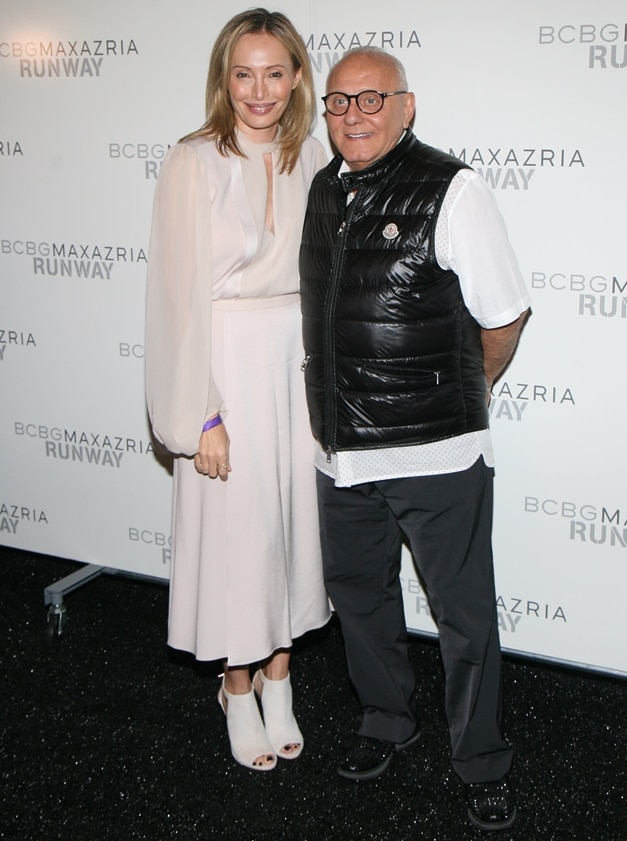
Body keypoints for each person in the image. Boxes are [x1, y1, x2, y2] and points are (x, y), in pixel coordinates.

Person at [299, 47, 530, 829]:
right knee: (361, 603)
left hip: (438, 454)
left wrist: (465, 393)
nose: (354, 115)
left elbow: (504, 316)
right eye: (339, 102)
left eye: (372, 99)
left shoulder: (453, 188)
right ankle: (385, 722)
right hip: (343, 455)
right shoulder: (323, 193)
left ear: (407, 106)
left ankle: (481, 760)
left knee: (464, 618)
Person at [144, 8, 330, 773]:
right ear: (224, 77)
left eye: (275, 73)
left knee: (291, 531)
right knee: (237, 537)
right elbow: (176, 298)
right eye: (243, 73)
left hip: (298, 367)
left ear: (296, 79)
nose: (259, 90)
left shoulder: (313, 153)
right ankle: (236, 684)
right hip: (225, 366)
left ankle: (280, 677)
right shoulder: (193, 161)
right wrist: (203, 411)